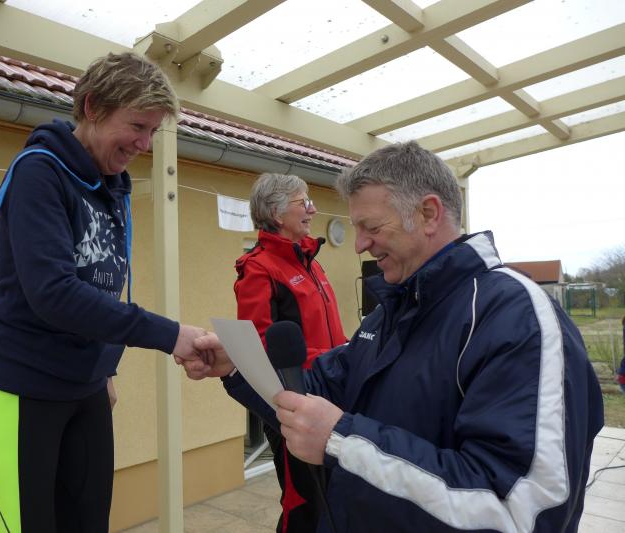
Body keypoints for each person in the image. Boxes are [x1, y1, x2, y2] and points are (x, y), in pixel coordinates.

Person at [186, 141, 604, 532]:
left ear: (428, 213)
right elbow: (313, 388)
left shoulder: (516, 317)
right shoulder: (389, 314)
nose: (359, 245)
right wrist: (239, 364)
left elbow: (523, 511)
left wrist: (343, 442)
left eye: (370, 226)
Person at [0, 52, 207, 533]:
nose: (144, 144)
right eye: (137, 126)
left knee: (89, 521)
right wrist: (171, 335)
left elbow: (102, 283)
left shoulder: (111, 185)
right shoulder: (40, 172)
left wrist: (105, 367)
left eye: (152, 132)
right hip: (19, 384)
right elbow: (54, 293)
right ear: (93, 107)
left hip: (87, 385)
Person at [236, 172, 347, 532]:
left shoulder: (311, 261)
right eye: (304, 202)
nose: (312, 210)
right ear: (276, 213)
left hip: (333, 396)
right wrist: (332, 359)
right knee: (304, 505)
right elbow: (258, 346)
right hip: (296, 405)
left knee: (334, 499)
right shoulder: (259, 267)